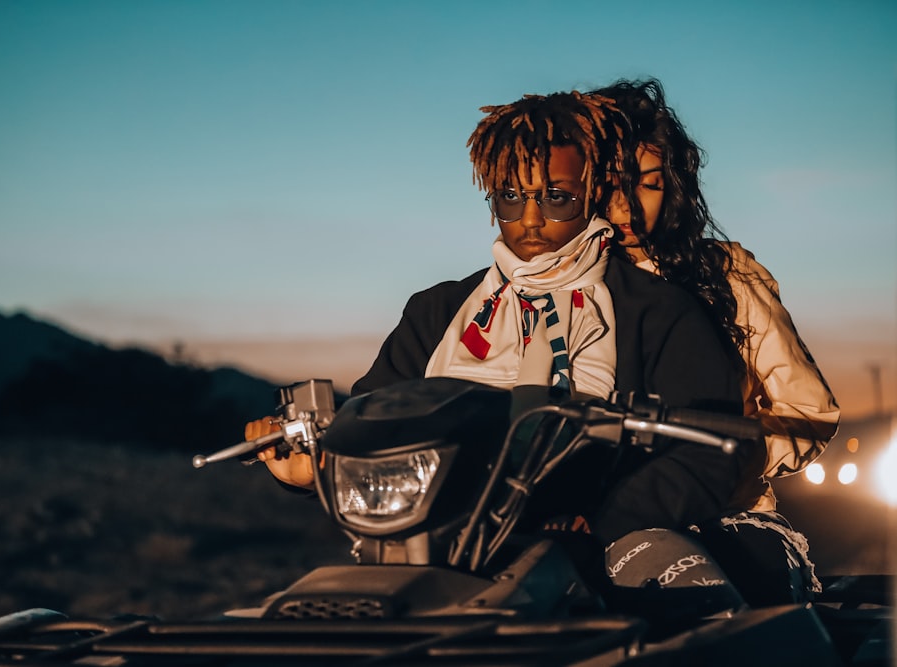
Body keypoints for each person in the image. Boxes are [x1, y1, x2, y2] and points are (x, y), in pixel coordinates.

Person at [248, 90, 767, 555]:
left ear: (591, 192)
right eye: (511, 197)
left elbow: (708, 456)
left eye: (556, 197)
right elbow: (375, 428)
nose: (532, 218)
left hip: (601, 552)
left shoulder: (659, 312)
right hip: (439, 547)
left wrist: (604, 523)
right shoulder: (436, 311)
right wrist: (307, 469)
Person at [588, 78, 839, 605]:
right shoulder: (560, 288)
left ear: (674, 185)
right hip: (603, 524)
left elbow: (808, 411)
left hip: (731, 519)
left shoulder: (725, 275)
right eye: (611, 184)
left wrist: (719, 466)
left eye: (648, 183)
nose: (627, 206)